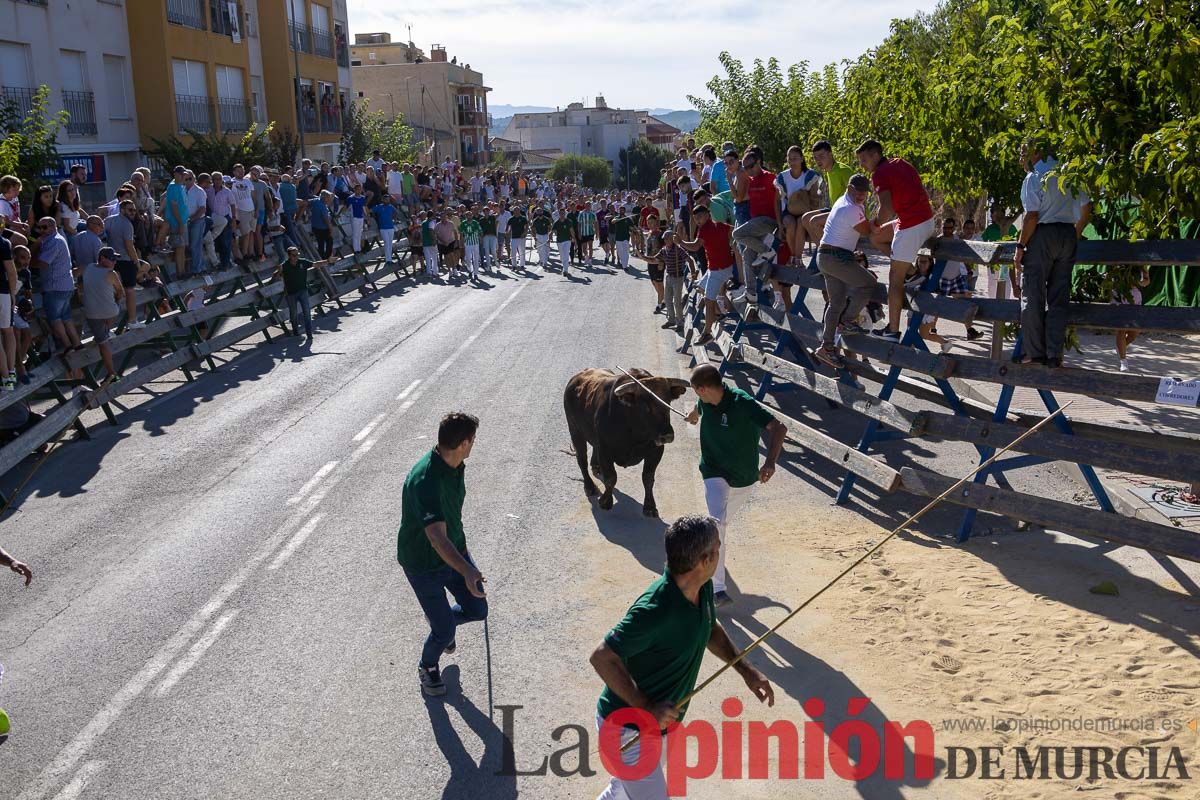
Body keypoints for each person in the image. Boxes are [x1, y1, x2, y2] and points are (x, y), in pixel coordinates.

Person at [590, 514, 775, 799]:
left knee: (622, 791)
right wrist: (647, 706)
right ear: (704, 560)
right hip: (627, 730)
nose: (720, 552)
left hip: (661, 726)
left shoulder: (702, 589)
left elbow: (709, 629)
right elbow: (602, 657)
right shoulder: (655, 610)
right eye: (717, 548)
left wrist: (747, 671)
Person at [397, 412, 488, 697]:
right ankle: (428, 666)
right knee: (445, 632)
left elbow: (451, 518)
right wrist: (468, 570)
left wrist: (463, 551)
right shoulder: (425, 480)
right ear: (463, 443)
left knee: (477, 609)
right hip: (423, 563)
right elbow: (436, 538)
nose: (474, 444)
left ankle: (441, 621)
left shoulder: (455, 464)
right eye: (472, 440)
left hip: (455, 551)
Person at [685, 364, 787, 607]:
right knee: (716, 525)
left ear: (703, 389)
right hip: (713, 470)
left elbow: (779, 427)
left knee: (719, 524)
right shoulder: (705, 401)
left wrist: (770, 462)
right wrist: (693, 414)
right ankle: (717, 588)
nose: (697, 398)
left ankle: (704, 549)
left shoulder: (742, 402)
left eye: (696, 392)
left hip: (743, 477)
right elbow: (698, 409)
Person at [1012, 140, 1092, 367]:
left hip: (1042, 235)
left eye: (1023, 152)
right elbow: (1087, 209)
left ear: (1035, 152)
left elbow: (1032, 217)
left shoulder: (1035, 177)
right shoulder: (1069, 173)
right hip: (1067, 233)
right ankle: (1054, 354)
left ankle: (1035, 353)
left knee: (1033, 295)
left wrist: (1020, 247)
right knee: (1059, 298)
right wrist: (1074, 234)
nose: (1021, 158)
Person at [856, 139, 936, 343]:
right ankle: (911, 272)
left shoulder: (879, 173)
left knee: (894, 280)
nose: (862, 165)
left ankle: (892, 331)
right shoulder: (900, 162)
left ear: (875, 155)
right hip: (924, 220)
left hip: (912, 225)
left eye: (864, 160)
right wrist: (876, 228)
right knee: (877, 237)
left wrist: (873, 222)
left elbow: (887, 208)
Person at [814, 174, 877, 367]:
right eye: (857, 191)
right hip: (836, 257)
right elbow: (868, 230)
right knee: (869, 283)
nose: (861, 195)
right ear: (849, 188)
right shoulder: (851, 208)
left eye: (864, 192)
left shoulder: (843, 201)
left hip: (824, 256)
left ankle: (826, 347)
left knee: (837, 302)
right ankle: (848, 321)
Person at [677, 206, 735, 346]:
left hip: (718, 270)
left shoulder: (705, 229)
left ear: (708, 215)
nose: (698, 220)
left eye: (700, 217)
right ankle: (719, 312)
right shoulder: (721, 226)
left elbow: (696, 247)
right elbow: (734, 231)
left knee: (708, 302)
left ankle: (707, 333)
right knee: (700, 287)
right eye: (696, 218)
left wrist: (681, 243)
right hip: (716, 268)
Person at [32, 217, 81, 354]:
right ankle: (77, 344)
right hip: (66, 286)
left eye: (45, 227)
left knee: (55, 319)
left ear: (53, 227)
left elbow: (44, 263)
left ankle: (67, 346)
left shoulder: (54, 242)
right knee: (66, 317)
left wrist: (28, 263)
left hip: (55, 287)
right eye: (39, 227)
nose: (41, 230)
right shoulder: (57, 239)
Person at [81, 247, 124, 383]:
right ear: (102, 258)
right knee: (103, 345)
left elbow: (75, 273)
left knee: (102, 330)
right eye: (112, 259)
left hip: (92, 314)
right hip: (108, 312)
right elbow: (120, 292)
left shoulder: (88, 268)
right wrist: (116, 299)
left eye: (115, 259)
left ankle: (104, 332)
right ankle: (112, 373)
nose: (114, 262)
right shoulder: (111, 273)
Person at [274, 246, 321, 340]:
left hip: (303, 290)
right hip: (291, 294)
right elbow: (276, 276)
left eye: (297, 254)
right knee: (294, 314)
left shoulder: (302, 261)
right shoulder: (285, 265)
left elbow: (315, 264)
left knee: (307, 312)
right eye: (294, 255)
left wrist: (328, 261)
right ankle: (295, 331)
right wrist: (278, 271)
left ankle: (309, 334)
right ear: (289, 256)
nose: (296, 257)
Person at [657, 229, 690, 334]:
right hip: (669, 277)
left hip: (677, 278)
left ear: (672, 239)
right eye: (665, 239)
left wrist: (693, 273)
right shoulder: (664, 249)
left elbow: (689, 259)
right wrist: (644, 257)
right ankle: (671, 320)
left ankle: (680, 323)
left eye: (668, 239)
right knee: (667, 300)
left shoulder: (678, 250)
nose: (666, 241)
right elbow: (655, 258)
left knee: (677, 301)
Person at [372, 194, 398, 265]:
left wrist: (394, 220)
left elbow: (396, 212)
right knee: (386, 243)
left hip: (390, 227)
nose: (387, 201)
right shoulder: (379, 207)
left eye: (388, 199)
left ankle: (390, 259)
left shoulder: (391, 207)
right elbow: (372, 212)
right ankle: (387, 260)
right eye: (386, 199)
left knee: (390, 243)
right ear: (382, 200)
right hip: (383, 228)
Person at [309, 190, 334, 260]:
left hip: (315, 227)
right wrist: (330, 228)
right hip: (322, 228)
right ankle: (326, 259)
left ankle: (323, 259)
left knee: (321, 244)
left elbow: (308, 202)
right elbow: (325, 219)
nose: (329, 200)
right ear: (324, 197)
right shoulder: (321, 205)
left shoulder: (316, 201)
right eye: (328, 198)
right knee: (328, 242)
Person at [459, 209, 483, 279]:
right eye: (467, 215)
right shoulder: (463, 223)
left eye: (470, 215)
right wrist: (461, 242)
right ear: (466, 216)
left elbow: (480, 231)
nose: (469, 216)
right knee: (468, 259)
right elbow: (461, 233)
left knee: (476, 258)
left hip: (475, 243)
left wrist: (481, 239)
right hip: (467, 243)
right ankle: (470, 270)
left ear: (472, 216)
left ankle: (475, 273)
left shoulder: (475, 222)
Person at [552, 209, 576, 275]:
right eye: (561, 213)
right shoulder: (556, 222)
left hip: (567, 240)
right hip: (559, 241)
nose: (562, 215)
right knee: (562, 256)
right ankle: (564, 266)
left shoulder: (568, 221)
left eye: (563, 213)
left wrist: (574, 238)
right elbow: (553, 230)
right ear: (559, 214)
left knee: (566, 254)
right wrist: (551, 236)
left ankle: (565, 270)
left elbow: (571, 230)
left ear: (565, 214)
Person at [347, 183, 367, 253]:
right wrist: (339, 214)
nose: (359, 191)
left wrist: (366, 216)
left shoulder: (363, 198)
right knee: (355, 234)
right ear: (354, 190)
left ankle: (359, 249)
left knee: (359, 234)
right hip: (354, 218)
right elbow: (346, 207)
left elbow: (364, 208)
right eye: (357, 189)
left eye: (360, 189)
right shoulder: (350, 198)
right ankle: (356, 250)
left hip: (361, 218)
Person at [507, 205, 527, 271]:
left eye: (517, 210)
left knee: (522, 251)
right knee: (513, 252)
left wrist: (524, 233)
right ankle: (514, 265)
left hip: (521, 238)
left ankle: (522, 265)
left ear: (519, 211)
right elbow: (509, 228)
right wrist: (507, 233)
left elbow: (526, 227)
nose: (516, 211)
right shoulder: (511, 219)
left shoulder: (523, 218)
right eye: (515, 210)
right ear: (513, 211)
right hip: (514, 237)